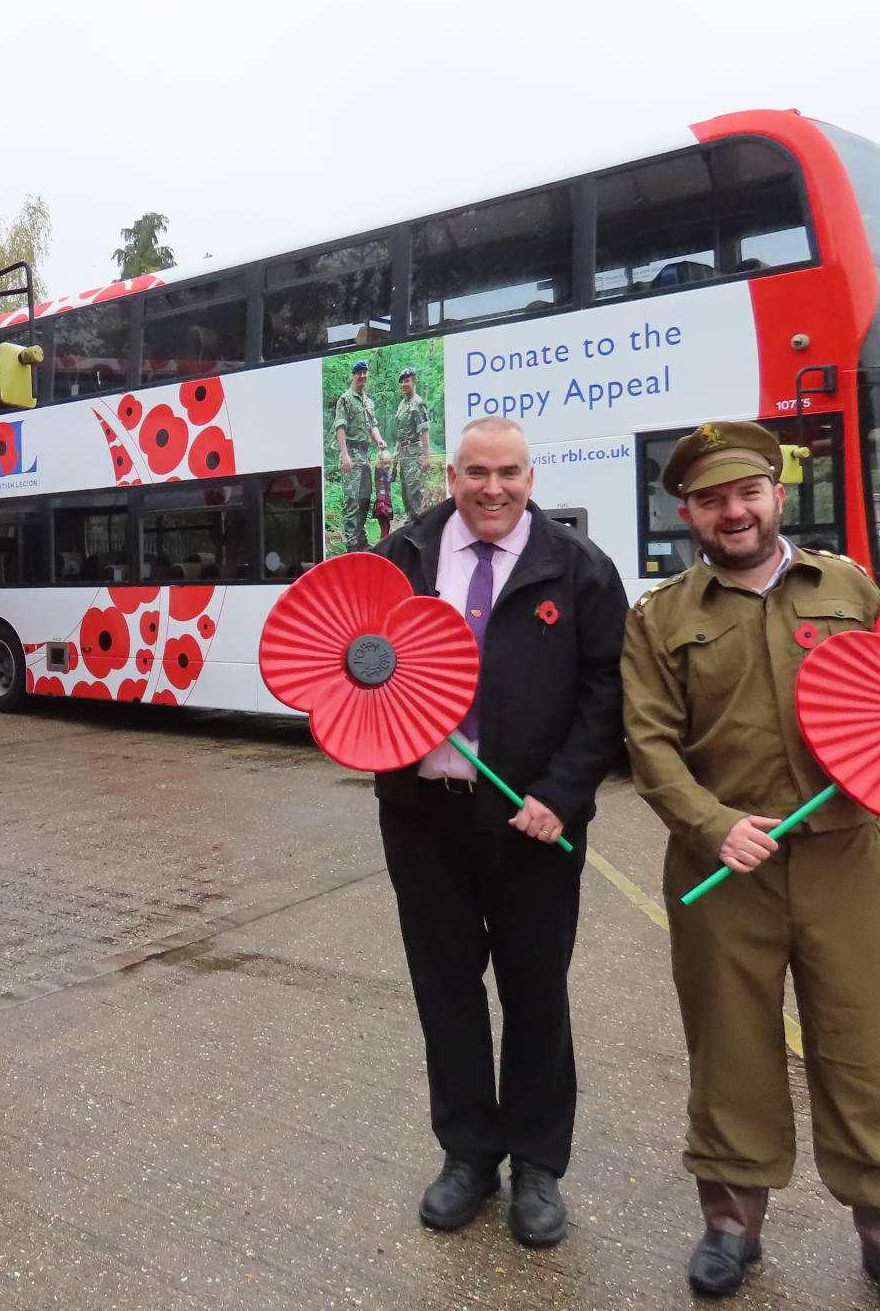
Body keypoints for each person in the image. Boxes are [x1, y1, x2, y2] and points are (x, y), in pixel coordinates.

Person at [620, 421, 880, 1310]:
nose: (734, 512)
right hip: (725, 875)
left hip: (845, 863)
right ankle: (732, 1227)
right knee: (729, 1049)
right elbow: (649, 746)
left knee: (864, 1045)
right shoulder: (661, 618)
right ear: (686, 510)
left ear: (775, 494)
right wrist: (711, 824)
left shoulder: (850, 588)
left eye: (748, 493)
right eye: (712, 500)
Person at [371, 416, 627, 1247]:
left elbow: (605, 695)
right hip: (425, 817)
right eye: (477, 472)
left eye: (509, 473)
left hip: (534, 824)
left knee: (535, 992)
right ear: (451, 475)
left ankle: (537, 1166)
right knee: (445, 992)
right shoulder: (401, 560)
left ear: (529, 476)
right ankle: (468, 1157)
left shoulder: (579, 568)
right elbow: (354, 665)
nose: (493, 489)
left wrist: (562, 795)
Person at [333, 360, 390, 551]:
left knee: (365, 499)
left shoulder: (368, 401)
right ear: (353, 375)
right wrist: (345, 455)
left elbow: (372, 425)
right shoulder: (345, 399)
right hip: (351, 452)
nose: (363, 376)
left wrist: (379, 440)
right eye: (359, 373)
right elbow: (340, 427)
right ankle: (351, 545)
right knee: (352, 501)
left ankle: (361, 539)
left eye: (365, 373)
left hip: (365, 454)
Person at [392, 366, 433, 520]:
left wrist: (426, 457)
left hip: (414, 452)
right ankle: (410, 524)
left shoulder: (417, 403)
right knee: (406, 492)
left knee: (416, 492)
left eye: (407, 380)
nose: (404, 384)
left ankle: (419, 527)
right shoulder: (402, 404)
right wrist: (396, 452)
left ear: (414, 381)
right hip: (403, 454)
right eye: (402, 381)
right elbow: (400, 430)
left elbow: (424, 431)